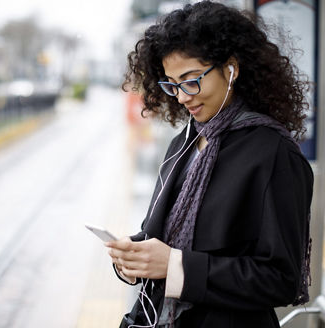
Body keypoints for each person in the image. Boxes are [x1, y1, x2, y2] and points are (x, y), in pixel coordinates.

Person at [106, 1, 314, 327]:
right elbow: (159, 235)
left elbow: (280, 279)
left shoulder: (273, 152)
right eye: (172, 84)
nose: (182, 97)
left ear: (230, 69)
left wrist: (175, 266)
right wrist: (134, 256)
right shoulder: (183, 143)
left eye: (191, 80)